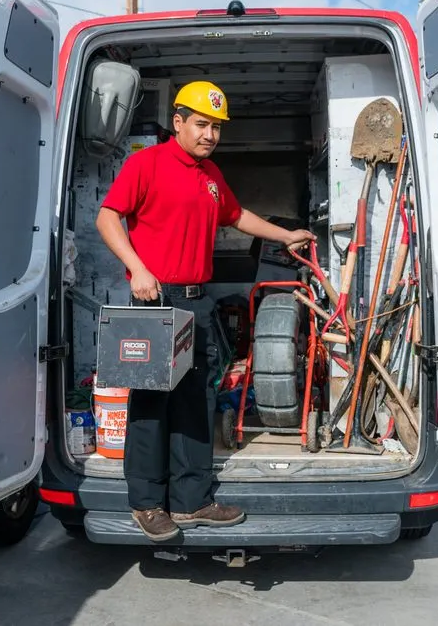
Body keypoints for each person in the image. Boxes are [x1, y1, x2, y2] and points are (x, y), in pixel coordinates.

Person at [96, 80, 316, 542]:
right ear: (178, 122)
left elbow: (237, 217)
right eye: (201, 124)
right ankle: (148, 503)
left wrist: (284, 235)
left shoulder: (211, 175)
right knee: (152, 404)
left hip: (197, 299)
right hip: (155, 299)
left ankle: (192, 501)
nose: (210, 134)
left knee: (196, 401)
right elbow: (107, 217)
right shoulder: (147, 164)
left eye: (216, 126)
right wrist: (136, 268)